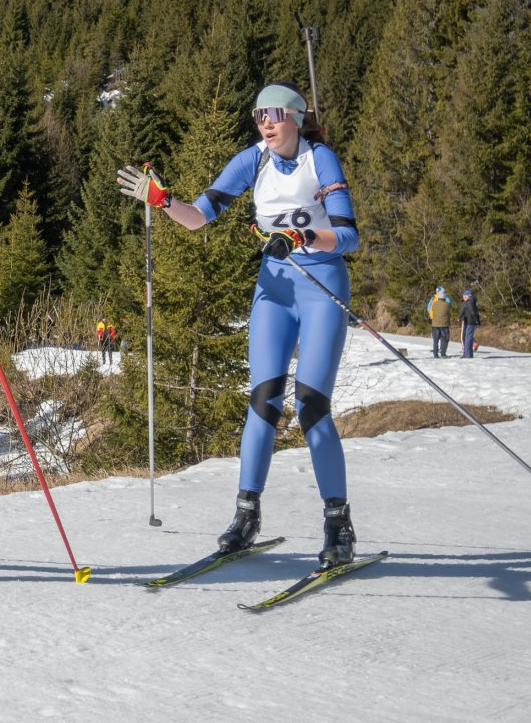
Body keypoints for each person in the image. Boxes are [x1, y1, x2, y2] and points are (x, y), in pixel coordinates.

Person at [117, 81, 360, 568]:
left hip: (320, 288)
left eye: (273, 114)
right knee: (263, 401)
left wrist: (301, 235)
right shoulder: (253, 160)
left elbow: (348, 236)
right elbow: (198, 218)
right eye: (257, 116)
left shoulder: (320, 159)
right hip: (274, 291)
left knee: (311, 406)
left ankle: (339, 523)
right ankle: (246, 514)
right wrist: (163, 201)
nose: (264, 123)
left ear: (295, 116)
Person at [427, 286, 453, 358]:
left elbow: (429, 309)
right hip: (444, 325)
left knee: (435, 340)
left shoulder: (434, 303)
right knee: (444, 339)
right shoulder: (447, 304)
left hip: (435, 324)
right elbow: (449, 312)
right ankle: (443, 353)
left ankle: (435, 354)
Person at [459, 290, 480, 358]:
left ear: (469, 296)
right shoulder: (472, 302)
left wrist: (476, 320)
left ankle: (467, 354)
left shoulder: (469, 302)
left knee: (467, 338)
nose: (464, 296)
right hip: (470, 322)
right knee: (469, 338)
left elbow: (473, 312)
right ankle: (469, 354)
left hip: (469, 322)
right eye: (463, 295)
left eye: (466, 295)